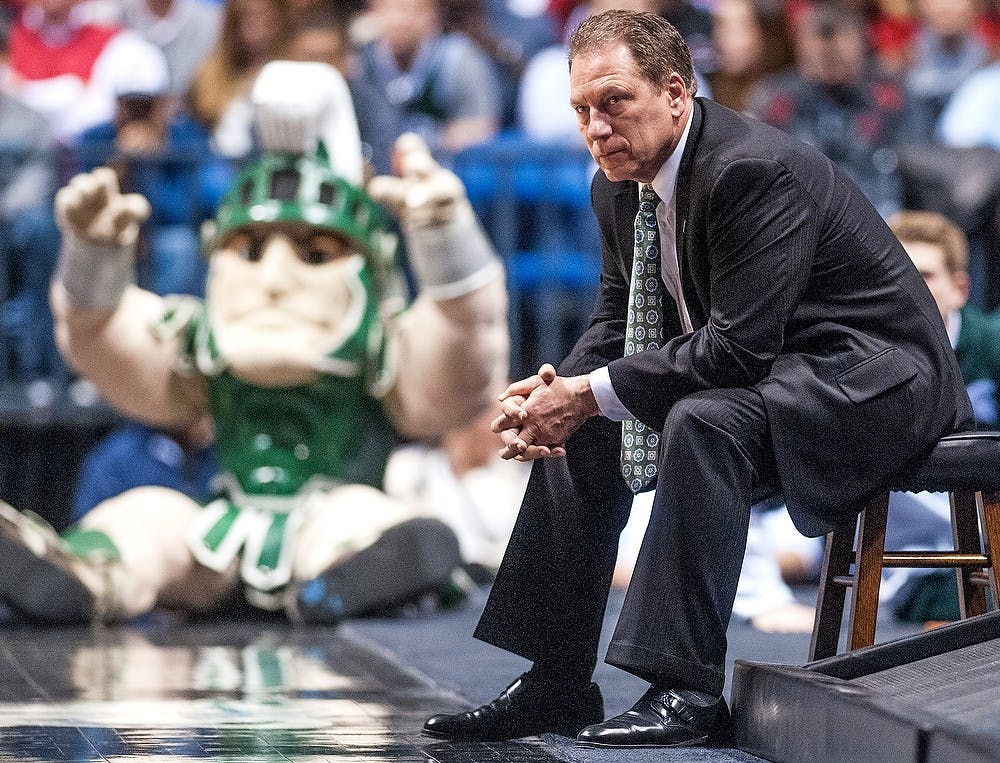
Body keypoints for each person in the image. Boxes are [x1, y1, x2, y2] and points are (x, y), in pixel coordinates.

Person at [421, 10, 971, 748]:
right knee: (588, 431)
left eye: (615, 101)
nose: (596, 126)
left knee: (704, 418)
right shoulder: (615, 187)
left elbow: (737, 352)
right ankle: (556, 680)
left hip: (876, 384)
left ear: (676, 93)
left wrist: (588, 393)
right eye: (582, 109)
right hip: (787, 377)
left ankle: (684, 687)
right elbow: (618, 323)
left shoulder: (749, 170)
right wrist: (557, 395)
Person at [0, 60, 508, 626]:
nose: (273, 278)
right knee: (147, 518)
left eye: (315, 254)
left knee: (360, 521)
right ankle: (81, 575)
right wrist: (92, 259)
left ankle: (358, 576)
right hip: (221, 526)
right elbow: (103, 344)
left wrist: (446, 241)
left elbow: (464, 363)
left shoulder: (380, 341)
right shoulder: (203, 335)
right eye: (250, 250)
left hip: (332, 511)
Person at [881, 210, 1000, 623]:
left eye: (926, 275)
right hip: (906, 540)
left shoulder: (991, 343)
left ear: (960, 288)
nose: (911, 289)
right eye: (900, 274)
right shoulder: (864, 351)